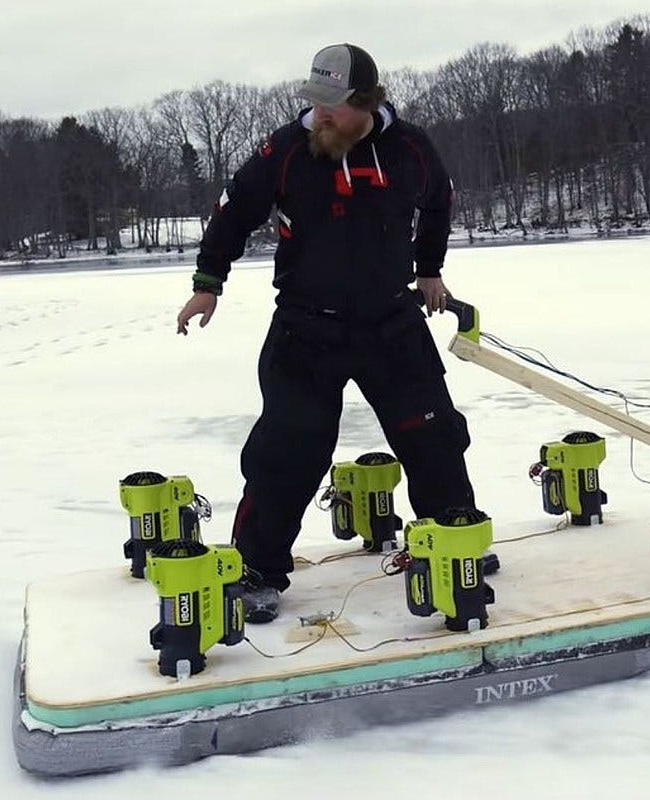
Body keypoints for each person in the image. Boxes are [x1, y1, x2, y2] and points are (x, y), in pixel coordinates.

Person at [176, 43, 476, 624]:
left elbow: (438, 202)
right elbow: (233, 210)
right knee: (288, 449)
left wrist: (430, 269)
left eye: (332, 106)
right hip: (305, 330)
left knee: (432, 435)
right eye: (313, 102)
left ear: (365, 103)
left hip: (392, 322)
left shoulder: (410, 147)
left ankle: (452, 538)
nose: (320, 115)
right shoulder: (285, 151)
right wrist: (208, 281)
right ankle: (258, 566)